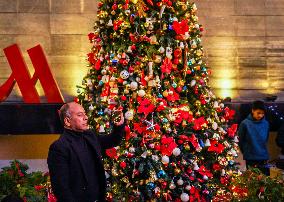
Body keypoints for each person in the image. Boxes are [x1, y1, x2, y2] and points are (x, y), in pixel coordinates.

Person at [47, 102, 125, 202]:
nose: (86, 117)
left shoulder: (90, 135)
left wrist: (119, 126)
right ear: (67, 121)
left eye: (85, 113)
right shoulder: (59, 147)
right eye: (80, 115)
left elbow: (113, 140)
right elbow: (61, 188)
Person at [238, 100, 270, 176]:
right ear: (253, 111)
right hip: (250, 157)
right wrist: (247, 151)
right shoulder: (245, 123)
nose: (260, 115)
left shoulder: (266, 123)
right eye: (258, 113)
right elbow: (240, 140)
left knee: (265, 181)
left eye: (262, 113)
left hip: (263, 156)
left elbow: (266, 139)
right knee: (252, 181)